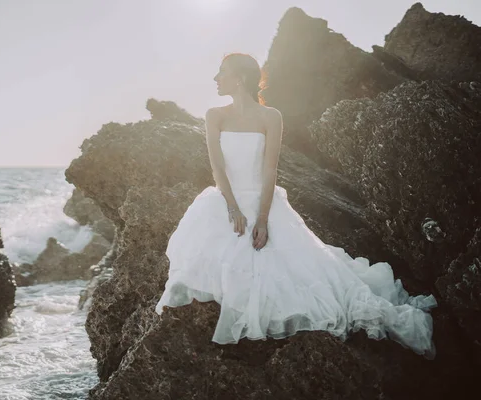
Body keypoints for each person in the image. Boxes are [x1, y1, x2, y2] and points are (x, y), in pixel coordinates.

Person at [154, 52, 437, 360]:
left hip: (264, 200)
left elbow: (270, 171)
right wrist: (232, 209)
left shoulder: (271, 116)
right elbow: (218, 169)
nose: (216, 78)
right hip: (225, 200)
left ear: (239, 77)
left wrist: (262, 220)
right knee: (213, 258)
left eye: (221, 72)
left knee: (298, 270)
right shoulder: (215, 115)